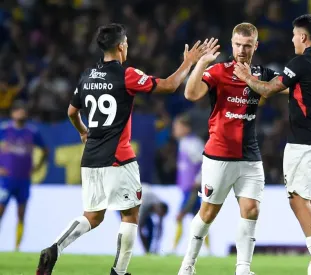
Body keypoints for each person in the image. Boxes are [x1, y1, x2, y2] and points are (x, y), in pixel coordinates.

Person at [36, 23, 211, 275]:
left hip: (91, 158)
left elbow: (72, 112)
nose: (127, 46)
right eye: (126, 42)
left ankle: (54, 248)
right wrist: (189, 63)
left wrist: (83, 132)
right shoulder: (126, 74)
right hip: (119, 157)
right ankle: (119, 272)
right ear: (120, 46)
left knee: (92, 216)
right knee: (130, 214)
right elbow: (169, 85)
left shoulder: (87, 76)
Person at [178, 22, 282, 275]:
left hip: (249, 155)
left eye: (247, 46)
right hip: (219, 155)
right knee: (208, 213)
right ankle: (187, 265)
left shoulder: (261, 73)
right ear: (232, 44)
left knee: (252, 209)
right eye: (237, 45)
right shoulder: (218, 71)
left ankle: (243, 269)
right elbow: (191, 94)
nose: (242, 50)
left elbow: (286, 86)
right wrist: (201, 63)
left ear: (255, 46)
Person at [233, 14, 311, 259]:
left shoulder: (300, 63)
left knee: (298, 201)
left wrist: (246, 77)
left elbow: (269, 90)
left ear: (303, 37)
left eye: (294, 35)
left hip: (304, 142)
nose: (292, 40)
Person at [0, 101, 48, 251]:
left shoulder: (32, 132)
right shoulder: (4, 129)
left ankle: (17, 248)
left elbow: (45, 150)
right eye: (18, 110)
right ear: (12, 113)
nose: (21, 113)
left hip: (24, 180)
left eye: (23, 110)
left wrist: (37, 167)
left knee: (21, 214)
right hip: (6, 180)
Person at [171, 113, 210, 254]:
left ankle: (173, 249)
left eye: (177, 127)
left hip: (192, 189)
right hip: (186, 188)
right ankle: (208, 250)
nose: (174, 130)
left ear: (186, 128)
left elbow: (204, 162)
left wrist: (198, 180)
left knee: (180, 216)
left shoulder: (193, 143)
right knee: (200, 219)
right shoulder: (183, 143)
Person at [138, 184, 168, 254]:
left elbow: (160, 228)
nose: (158, 216)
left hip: (143, 193)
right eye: (159, 214)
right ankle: (146, 250)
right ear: (157, 209)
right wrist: (145, 247)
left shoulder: (159, 204)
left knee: (151, 227)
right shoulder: (144, 204)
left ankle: (149, 250)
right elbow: (139, 227)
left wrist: (157, 247)